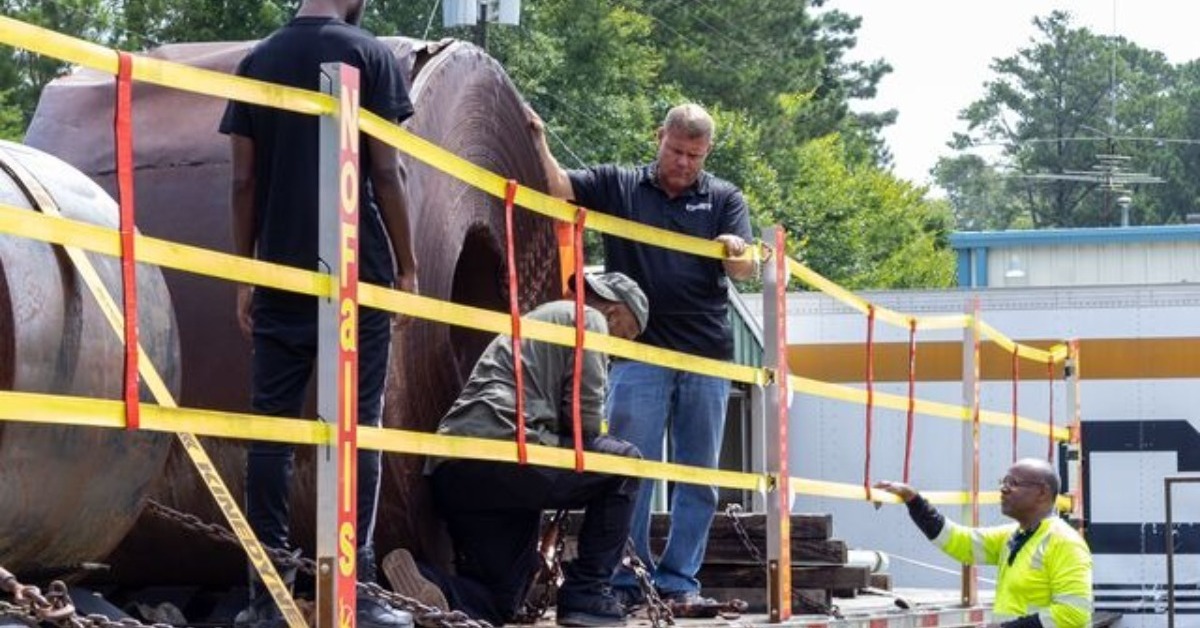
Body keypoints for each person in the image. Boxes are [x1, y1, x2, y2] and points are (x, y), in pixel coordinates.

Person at [218, 1, 418, 626]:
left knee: (273, 433)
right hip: (359, 276)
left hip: (279, 271)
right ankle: (358, 591)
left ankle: (266, 596)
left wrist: (247, 272)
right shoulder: (370, 53)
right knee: (358, 427)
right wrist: (408, 266)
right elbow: (386, 169)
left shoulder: (258, 60)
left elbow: (244, 181)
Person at [529, 103, 756, 608]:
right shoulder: (620, 185)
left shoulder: (723, 197)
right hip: (640, 353)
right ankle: (629, 579)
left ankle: (680, 583)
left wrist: (734, 248)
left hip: (705, 356)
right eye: (676, 150)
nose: (683, 163)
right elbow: (558, 187)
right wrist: (538, 137)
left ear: (707, 152)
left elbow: (743, 269)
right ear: (659, 137)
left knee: (698, 476)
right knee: (630, 470)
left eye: (694, 155)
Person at [399, 272, 648, 628]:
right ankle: (588, 593)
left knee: (499, 601)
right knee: (627, 465)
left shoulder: (540, 320)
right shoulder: (588, 318)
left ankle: (422, 586)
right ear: (612, 312)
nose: (616, 353)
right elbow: (584, 415)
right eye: (623, 337)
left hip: (456, 471)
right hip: (508, 451)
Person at [875, 459, 1093, 628]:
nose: (1004, 489)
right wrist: (914, 500)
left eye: (1013, 483)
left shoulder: (1064, 542)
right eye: (1004, 482)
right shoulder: (1014, 536)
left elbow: (1074, 613)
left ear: (1042, 493)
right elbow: (958, 542)